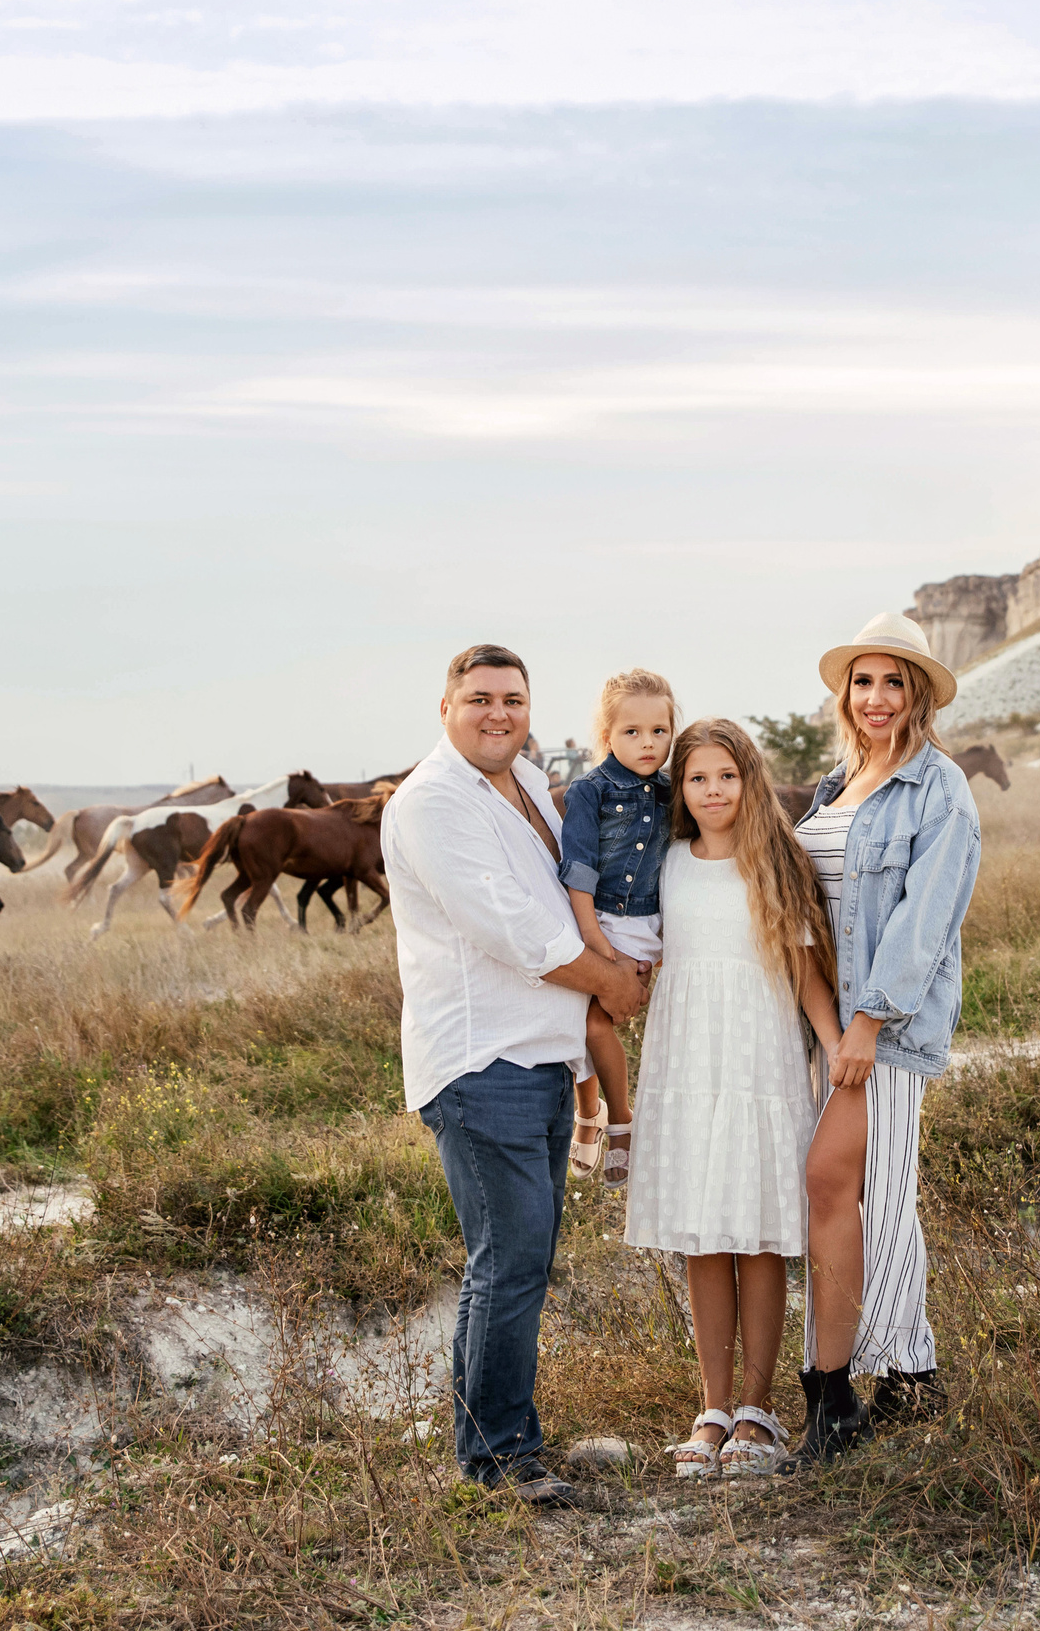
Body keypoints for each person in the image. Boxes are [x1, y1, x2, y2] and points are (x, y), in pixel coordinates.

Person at [380, 644, 649, 1509]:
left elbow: (568, 894)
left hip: (538, 1056)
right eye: (480, 698)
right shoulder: (433, 801)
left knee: (513, 1260)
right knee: (511, 1259)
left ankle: (497, 1441)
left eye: (513, 699)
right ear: (446, 707)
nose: (498, 712)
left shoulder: (527, 781)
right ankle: (500, 1459)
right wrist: (610, 982)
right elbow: (510, 928)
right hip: (481, 1060)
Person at [624, 718, 843, 1477]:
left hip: (758, 1060)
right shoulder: (666, 863)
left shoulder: (776, 859)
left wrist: (835, 1046)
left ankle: (758, 1408)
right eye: (697, 778)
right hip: (688, 1061)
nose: (713, 790)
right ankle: (712, 1406)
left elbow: (806, 968)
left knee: (757, 1232)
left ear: (750, 779)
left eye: (727, 775)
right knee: (704, 1232)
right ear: (678, 790)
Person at [790, 612, 982, 1459]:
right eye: (862, 681)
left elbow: (924, 921)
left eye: (893, 681)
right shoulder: (837, 783)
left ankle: (840, 1391)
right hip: (828, 1028)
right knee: (862, 1194)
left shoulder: (939, 788)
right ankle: (909, 1376)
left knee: (848, 1185)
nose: (876, 697)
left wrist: (867, 1022)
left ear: (919, 695)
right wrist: (831, 1026)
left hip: (885, 1030)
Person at [556, 669, 677, 1189]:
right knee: (576, 1024)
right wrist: (598, 945)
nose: (648, 743)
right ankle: (606, 1116)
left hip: (649, 926)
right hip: (596, 920)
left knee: (597, 1025)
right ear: (607, 736)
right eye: (632, 732)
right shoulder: (590, 791)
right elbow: (579, 872)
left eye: (659, 731)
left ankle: (604, 1116)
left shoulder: (675, 790)